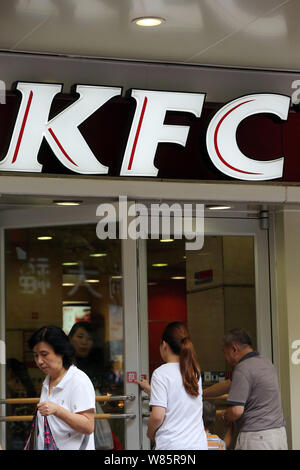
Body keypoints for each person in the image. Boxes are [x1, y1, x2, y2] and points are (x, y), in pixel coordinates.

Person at [203, 328, 288, 450]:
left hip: (257, 437)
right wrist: (201, 394)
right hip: (278, 434)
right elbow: (228, 384)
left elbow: (236, 411)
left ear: (234, 349)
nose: (225, 357)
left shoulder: (243, 369)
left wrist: (225, 416)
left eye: (224, 352)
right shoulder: (266, 363)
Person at [136, 321, 207, 450]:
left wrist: (150, 433)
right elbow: (180, 399)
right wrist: (151, 391)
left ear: (164, 345)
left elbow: (157, 416)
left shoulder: (161, 373)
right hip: (198, 444)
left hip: (172, 445)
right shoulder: (194, 372)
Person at [28, 325, 95, 450]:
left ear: (61, 352)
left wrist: (57, 410)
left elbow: (88, 426)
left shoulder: (78, 381)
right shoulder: (48, 380)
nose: (39, 361)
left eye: (44, 354)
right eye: (36, 355)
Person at [69, 321, 114, 450]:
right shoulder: (64, 364)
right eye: (80, 337)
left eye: (89, 339)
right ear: (70, 339)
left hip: (94, 419)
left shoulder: (98, 364)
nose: (84, 342)